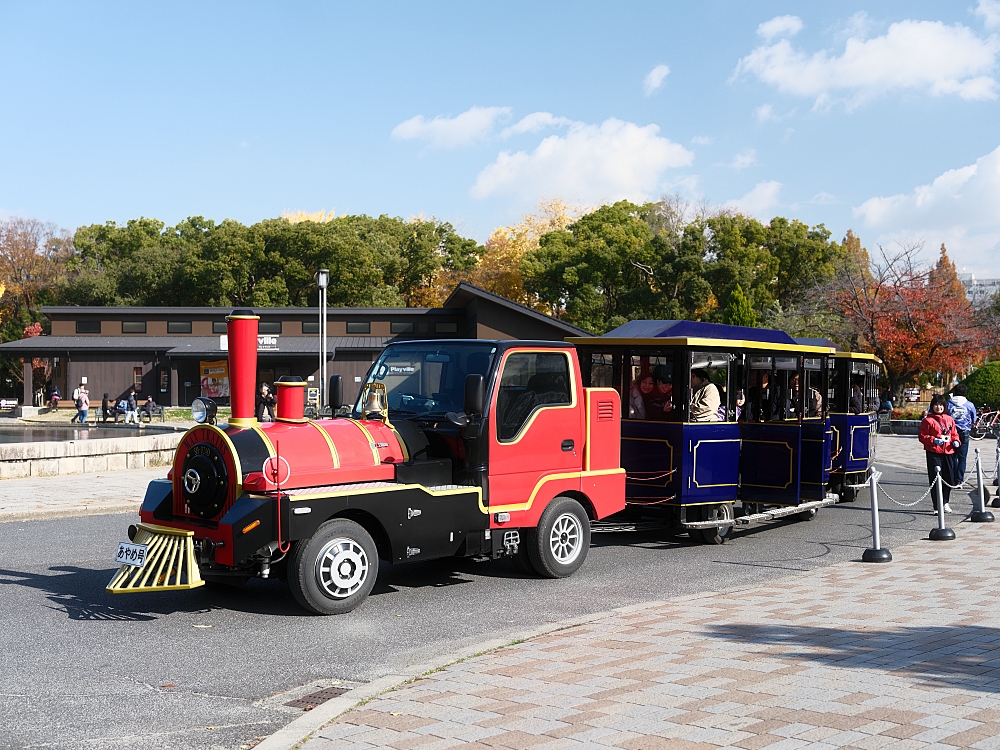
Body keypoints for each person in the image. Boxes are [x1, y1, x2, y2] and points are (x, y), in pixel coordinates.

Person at [918, 393, 960, 513]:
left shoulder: (949, 419)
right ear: (932, 406)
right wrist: (933, 440)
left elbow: (954, 434)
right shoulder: (928, 420)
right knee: (936, 478)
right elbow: (922, 436)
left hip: (948, 452)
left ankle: (945, 502)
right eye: (936, 405)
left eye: (941, 405)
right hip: (934, 452)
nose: (938, 407)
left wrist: (956, 441)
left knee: (949, 478)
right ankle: (937, 505)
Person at [948, 383, 977, 484]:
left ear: (954, 392)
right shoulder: (969, 405)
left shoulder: (948, 404)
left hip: (951, 433)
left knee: (952, 456)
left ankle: (952, 477)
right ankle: (959, 480)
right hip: (964, 432)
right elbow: (974, 419)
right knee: (962, 457)